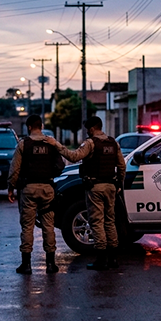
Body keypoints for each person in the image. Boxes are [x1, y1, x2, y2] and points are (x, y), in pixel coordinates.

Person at [45, 116, 125, 270]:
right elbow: (121, 165)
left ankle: (101, 260)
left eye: (88, 129)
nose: (87, 132)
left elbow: (74, 157)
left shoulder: (90, 143)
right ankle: (113, 259)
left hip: (95, 188)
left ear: (92, 128)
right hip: (111, 187)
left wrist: (56, 145)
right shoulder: (113, 143)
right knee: (110, 221)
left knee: (96, 222)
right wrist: (119, 184)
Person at [8, 115, 65, 275]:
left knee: (27, 226)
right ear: (41, 126)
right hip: (47, 188)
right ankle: (51, 264)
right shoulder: (51, 143)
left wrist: (11, 188)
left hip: (28, 189)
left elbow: (14, 170)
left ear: (28, 127)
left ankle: (26, 265)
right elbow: (61, 166)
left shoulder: (23, 144)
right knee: (48, 225)